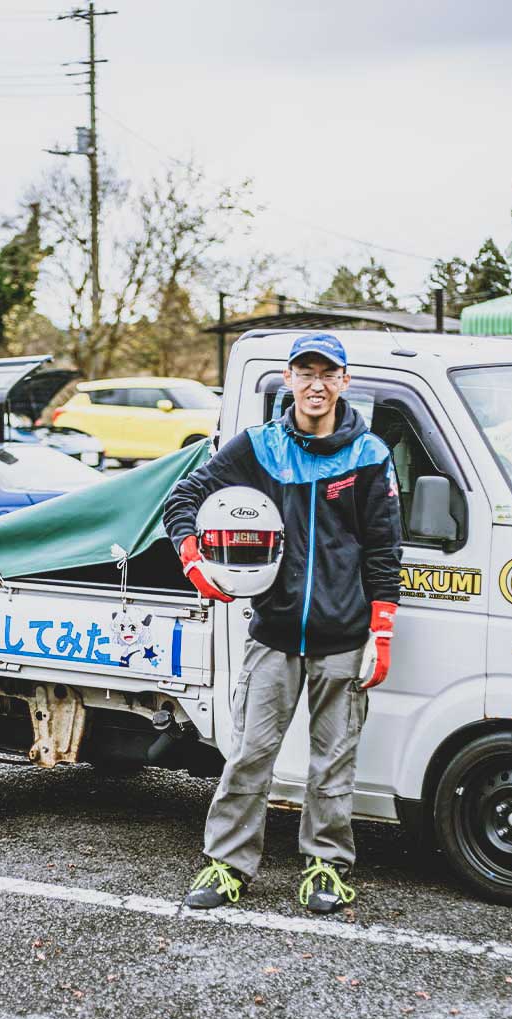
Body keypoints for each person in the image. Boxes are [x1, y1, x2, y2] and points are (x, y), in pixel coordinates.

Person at [162, 332, 403, 913]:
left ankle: (325, 867)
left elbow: (383, 550)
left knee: (333, 763)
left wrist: (382, 630)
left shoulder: (369, 455)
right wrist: (196, 561)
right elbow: (183, 497)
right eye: (305, 372)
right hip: (273, 633)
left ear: (345, 382)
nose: (316, 384)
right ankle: (226, 866)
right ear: (289, 379)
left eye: (328, 373)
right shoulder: (260, 447)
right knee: (248, 754)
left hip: (343, 639)